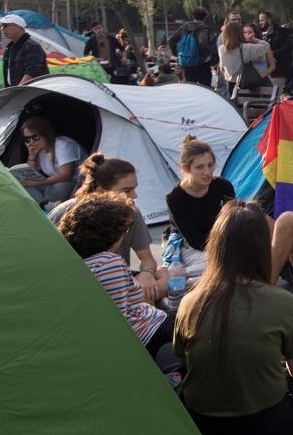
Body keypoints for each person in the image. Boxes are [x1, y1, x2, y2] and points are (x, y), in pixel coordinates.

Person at [174, 201, 293, 434]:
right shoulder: (281, 301)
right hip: (265, 421)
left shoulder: (189, 302)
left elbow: (184, 360)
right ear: (262, 248)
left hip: (201, 420)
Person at [58, 195, 172, 357]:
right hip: (151, 331)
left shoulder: (79, 263)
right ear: (111, 235)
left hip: (147, 325)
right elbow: (119, 320)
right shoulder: (108, 263)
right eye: (123, 230)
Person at [49, 154, 165, 302]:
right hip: (80, 285)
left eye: (134, 189)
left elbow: (147, 259)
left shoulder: (130, 211)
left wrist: (147, 274)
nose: (134, 196)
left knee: (166, 274)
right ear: (100, 192)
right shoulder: (65, 213)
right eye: (126, 190)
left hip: (117, 278)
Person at [165, 135, 237, 282]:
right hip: (189, 246)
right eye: (200, 167)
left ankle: (190, 278)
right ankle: (182, 274)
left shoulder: (223, 186)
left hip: (220, 241)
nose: (207, 172)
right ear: (186, 168)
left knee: (240, 258)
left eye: (210, 165)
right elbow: (194, 240)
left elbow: (234, 219)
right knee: (228, 264)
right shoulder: (175, 198)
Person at [11, 116, 83, 206]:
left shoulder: (62, 144)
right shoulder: (40, 150)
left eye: (35, 137)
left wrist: (35, 183)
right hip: (51, 186)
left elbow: (66, 175)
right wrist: (31, 155)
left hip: (74, 184)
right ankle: (44, 203)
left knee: (60, 187)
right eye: (27, 139)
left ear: (45, 133)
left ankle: (42, 204)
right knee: (21, 184)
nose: (31, 142)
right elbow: (30, 174)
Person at [169, 8, 218, 88]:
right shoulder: (204, 28)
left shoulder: (184, 27)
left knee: (190, 89)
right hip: (202, 64)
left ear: (193, 16)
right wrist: (209, 56)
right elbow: (202, 42)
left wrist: (177, 54)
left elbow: (171, 40)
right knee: (205, 90)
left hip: (187, 63)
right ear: (205, 17)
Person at [219, 21, 272, 94]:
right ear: (239, 33)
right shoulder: (245, 48)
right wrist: (254, 39)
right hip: (246, 82)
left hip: (230, 84)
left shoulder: (221, 49)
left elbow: (222, 67)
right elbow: (265, 46)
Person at [0, 14, 48, 86]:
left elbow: (32, 72)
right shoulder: (9, 48)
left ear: (18, 27)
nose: (2, 29)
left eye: (5, 26)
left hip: (33, 93)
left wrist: (18, 90)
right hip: (18, 92)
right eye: (1, 26)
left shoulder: (32, 46)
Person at [259, 11, 293, 89]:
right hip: (265, 73)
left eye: (262, 20)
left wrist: (270, 55)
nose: (260, 23)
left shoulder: (282, 32)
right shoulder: (261, 34)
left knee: (275, 97)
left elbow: (286, 48)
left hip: (278, 72)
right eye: (260, 20)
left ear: (269, 20)